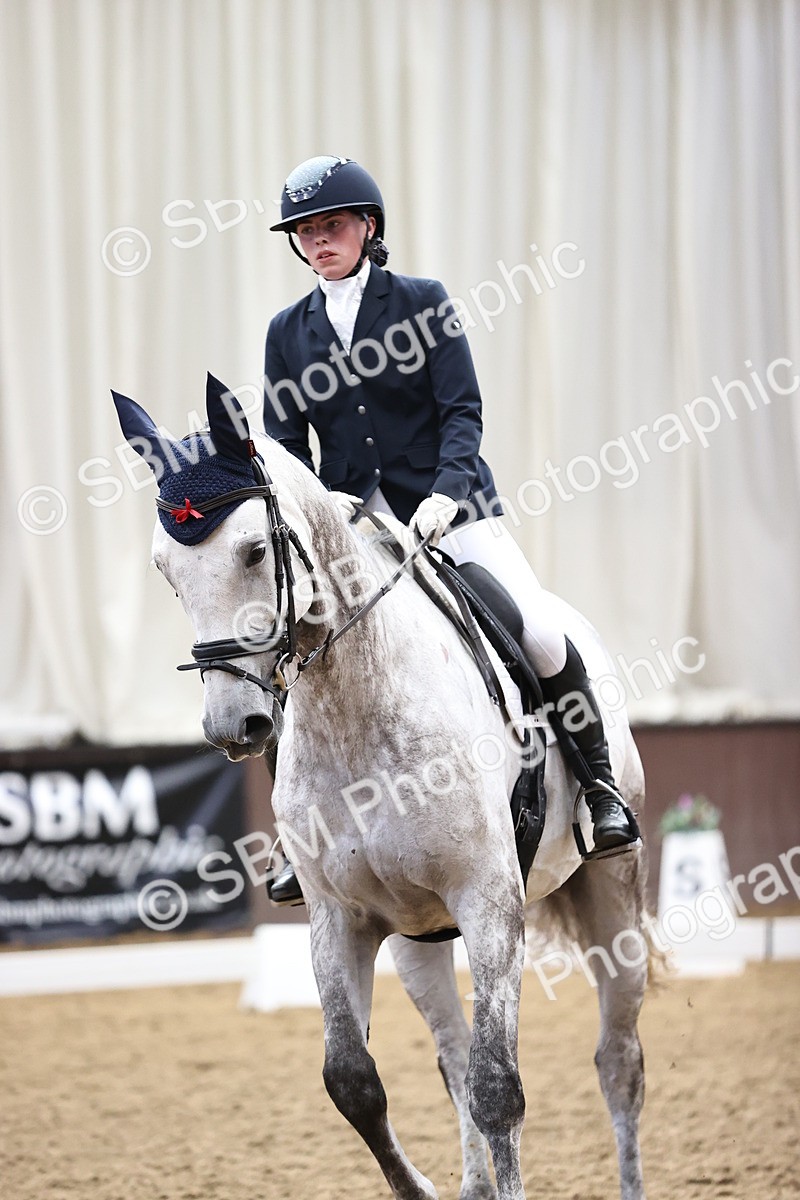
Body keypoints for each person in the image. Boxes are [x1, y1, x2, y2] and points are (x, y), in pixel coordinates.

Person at [263, 155, 636, 904]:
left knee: (537, 633)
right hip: (354, 535)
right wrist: (326, 513)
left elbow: (463, 411)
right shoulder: (286, 333)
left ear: (368, 227)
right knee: (289, 662)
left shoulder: (422, 302)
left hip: (451, 512)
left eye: (331, 225)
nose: (318, 240)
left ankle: (598, 788)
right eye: (304, 231)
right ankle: (298, 840)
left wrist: (445, 494)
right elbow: (283, 447)